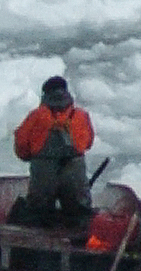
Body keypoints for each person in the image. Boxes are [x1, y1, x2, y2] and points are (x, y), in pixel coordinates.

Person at [13, 75, 95, 227]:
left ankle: (37, 242)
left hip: (44, 171)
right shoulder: (80, 116)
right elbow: (88, 142)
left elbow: (21, 144)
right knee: (79, 215)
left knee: (38, 215)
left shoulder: (37, 116)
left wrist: (33, 157)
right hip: (74, 169)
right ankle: (77, 238)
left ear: (45, 94)